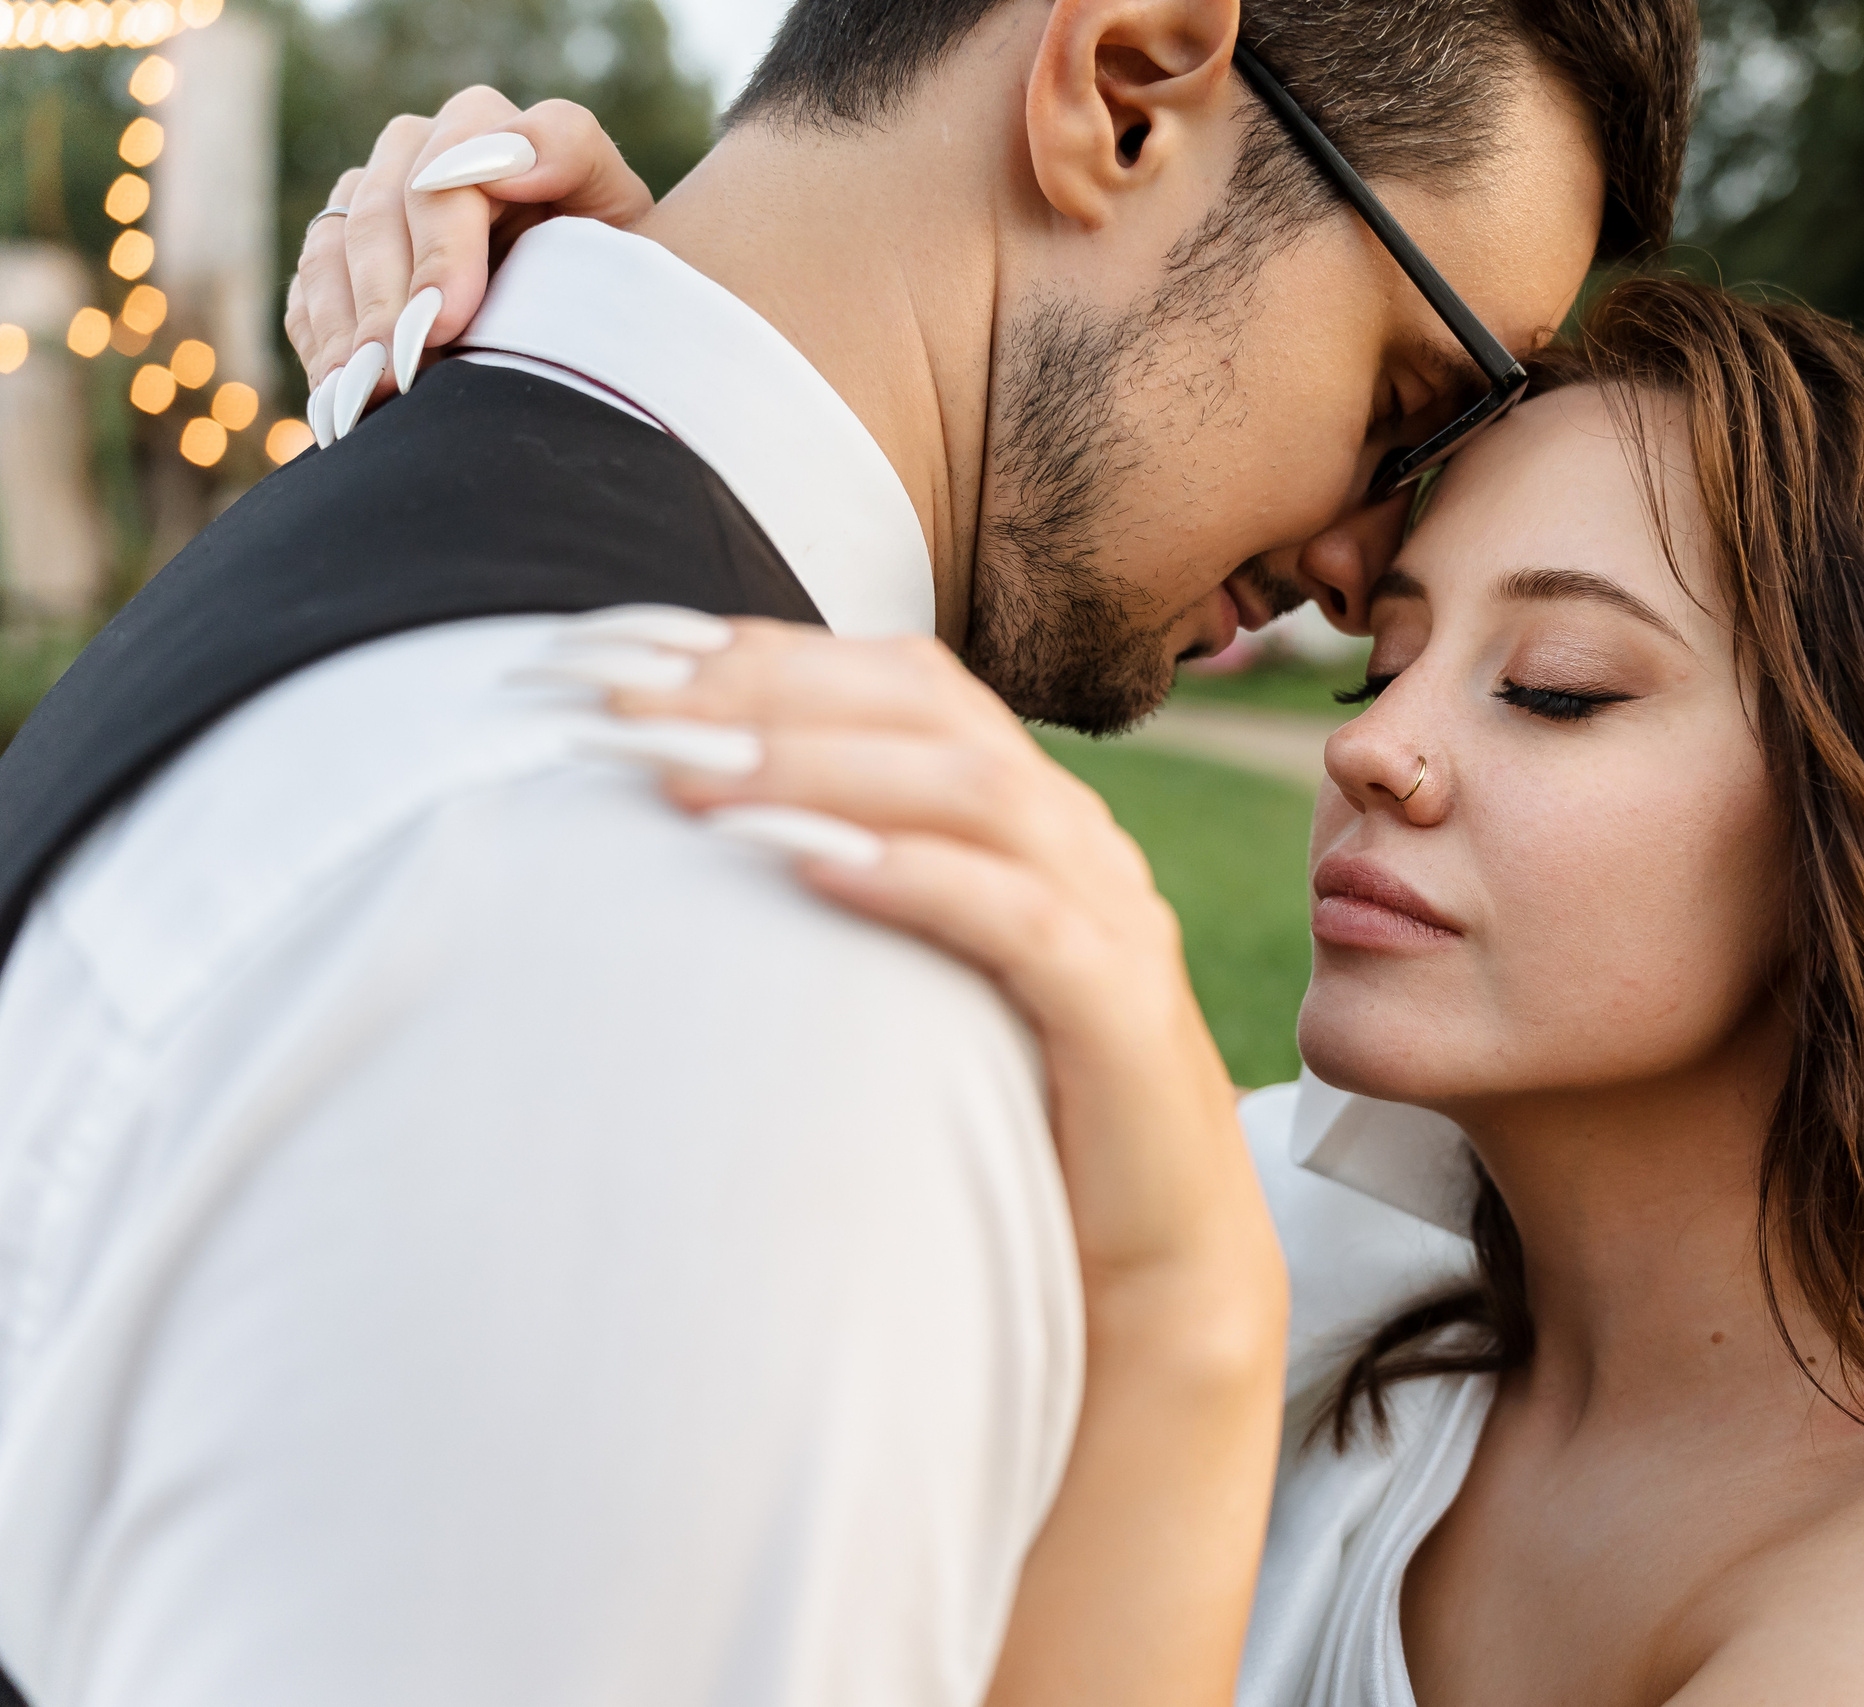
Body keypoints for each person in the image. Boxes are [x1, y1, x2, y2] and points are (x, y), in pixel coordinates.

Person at [362, 154, 1864, 1694]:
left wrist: (1168, 1290)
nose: (1377, 751)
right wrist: (667, 343)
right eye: (1379, 659)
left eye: (1557, 686)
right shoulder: (1333, 1298)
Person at [0, 4, 1697, 1703]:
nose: (1361, 562)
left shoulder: (427, 545)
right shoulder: (732, 951)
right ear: (1122, 93)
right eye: (1412, 398)